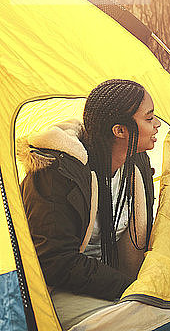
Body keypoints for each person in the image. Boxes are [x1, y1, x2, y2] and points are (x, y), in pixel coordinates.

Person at [18, 79, 161, 306]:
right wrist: (129, 288)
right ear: (120, 130)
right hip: (54, 290)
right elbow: (55, 261)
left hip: (110, 279)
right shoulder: (56, 174)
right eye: (149, 118)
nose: (157, 125)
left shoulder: (137, 163)